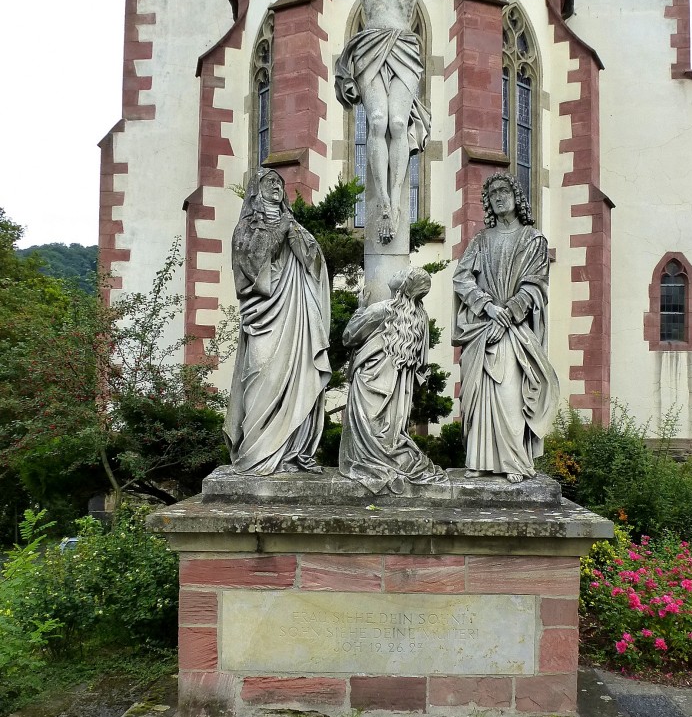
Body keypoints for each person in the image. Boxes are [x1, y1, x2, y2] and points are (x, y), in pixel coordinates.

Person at [255, 0, 522, 243]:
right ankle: (382, 201)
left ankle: (396, 202)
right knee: (377, 120)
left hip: (404, 47)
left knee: (398, 122)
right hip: (369, 47)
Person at [452, 173, 560, 483]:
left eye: (504, 191)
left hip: (514, 333)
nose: (498, 197)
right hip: (483, 329)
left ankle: (514, 462)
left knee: (510, 396)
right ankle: (479, 460)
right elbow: (462, 278)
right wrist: (487, 307)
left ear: (516, 196)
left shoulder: (533, 239)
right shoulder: (481, 241)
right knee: (479, 397)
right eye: (492, 193)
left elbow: (535, 286)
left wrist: (508, 315)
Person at [224, 167, 332, 474]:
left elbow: (313, 262)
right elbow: (251, 262)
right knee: (259, 373)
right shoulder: (245, 228)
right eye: (270, 181)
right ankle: (255, 453)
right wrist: (280, 228)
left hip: (294, 314)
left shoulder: (292, 224)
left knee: (295, 376)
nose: (277, 186)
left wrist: (299, 238)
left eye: (280, 183)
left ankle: (287, 453)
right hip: (263, 313)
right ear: (256, 190)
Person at [339, 266, 448, 493]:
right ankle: (391, 458)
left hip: (369, 381)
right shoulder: (420, 316)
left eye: (401, 273)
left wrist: (360, 309)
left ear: (403, 285)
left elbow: (349, 336)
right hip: (397, 387)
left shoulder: (380, 310)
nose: (397, 273)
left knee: (366, 433)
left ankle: (372, 462)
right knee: (387, 432)